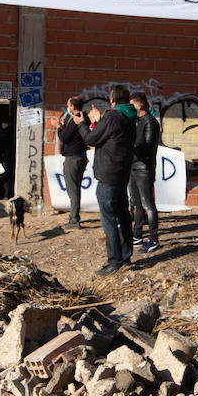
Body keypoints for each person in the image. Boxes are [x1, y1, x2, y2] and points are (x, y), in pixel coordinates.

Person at [74, 86, 136, 276]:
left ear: (112, 99)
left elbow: (91, 138)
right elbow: (108, 137)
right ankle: (125, 255)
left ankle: (114, 260)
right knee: (123, 216)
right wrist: (99, 121)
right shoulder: (129, 117)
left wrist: (83, 123)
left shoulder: (113, 116)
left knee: (109, 219)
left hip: (108, 174)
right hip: (121, 173)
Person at [128, 92, 160, 254]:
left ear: (139, 105)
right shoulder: (137, 121)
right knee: (136, 203)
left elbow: (146, 146)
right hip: (134, 167)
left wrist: (129, 146)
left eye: (132, 104)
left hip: (144, 169)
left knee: (148, 204)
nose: (130, 107)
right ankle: (137, 235)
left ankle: (153, 239)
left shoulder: (150, 122)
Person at [57, 96, 88, 227]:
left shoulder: (75, 119)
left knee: (73, 190)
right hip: (80, 156)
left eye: (68, 105)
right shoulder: (83, 117)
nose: (67, 107)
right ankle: (74, 216)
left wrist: (59, 127)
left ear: (73, 107)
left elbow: (65, 137)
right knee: (75, 188)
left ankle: (74, 219)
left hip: (73, 158)